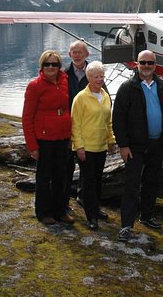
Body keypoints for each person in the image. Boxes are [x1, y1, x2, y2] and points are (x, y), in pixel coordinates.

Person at [112, 50, 163, 242]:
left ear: (155, 64)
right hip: (135, 146)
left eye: (150, 62)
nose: (146, 66)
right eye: (143, 62)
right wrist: (123, 145)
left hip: (157, 144)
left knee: (152, 182)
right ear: (137, 64)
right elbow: (118, 119)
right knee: (131, 185)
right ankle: (126, 225)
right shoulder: (127, 87)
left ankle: (147, 216)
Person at [22, 50, 74, 225]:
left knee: (62, 176)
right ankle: (44, 212)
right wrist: (32, 146)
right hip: (44, 138)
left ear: (60, 66)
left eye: (55, 64)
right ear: (42, 66)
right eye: (47, 64)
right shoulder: (35, 85)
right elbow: (27, 117)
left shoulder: (64, 81)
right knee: (44, 177)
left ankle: (60, 210)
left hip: (63, 137)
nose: (51, 67)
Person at [70, 61, 116, 231]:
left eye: (102, 76)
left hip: (101, 146)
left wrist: (110, 140)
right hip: (86, 148)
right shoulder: (80, 98)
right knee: (88, 182)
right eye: (96, 76)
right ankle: (91, 216)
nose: (100, 79)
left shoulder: (105, 96)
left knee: (97, 181)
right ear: (88, 78)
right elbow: (75, 124)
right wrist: (79, 147)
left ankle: (96, 208)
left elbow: (108, 122)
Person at [64, 40, 93, 216]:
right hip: (68, 127)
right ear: (69, 55)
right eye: (74, 52)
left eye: (80, 52)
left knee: (87, 167)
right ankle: (64, 200)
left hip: (88, 128)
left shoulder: (94, 73)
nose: (77, 54)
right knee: (66, 166)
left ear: (86, 54)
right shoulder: (63, 75)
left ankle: (84, 198)